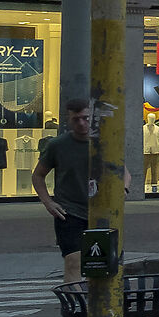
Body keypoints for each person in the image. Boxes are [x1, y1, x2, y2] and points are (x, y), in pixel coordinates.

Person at [32, 99, 92, 282]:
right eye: (76, 119)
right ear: (68, 119)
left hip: (100, 211)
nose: (81, 123)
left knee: (99, 263)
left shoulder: (104, 143)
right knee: (73, 261)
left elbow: (124, 172)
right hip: (69, 212)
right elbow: (38, 175)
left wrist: (125, 189)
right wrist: (48, 202)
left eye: (85, 118)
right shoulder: (57, 145)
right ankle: (75, 307)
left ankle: (96, 306)